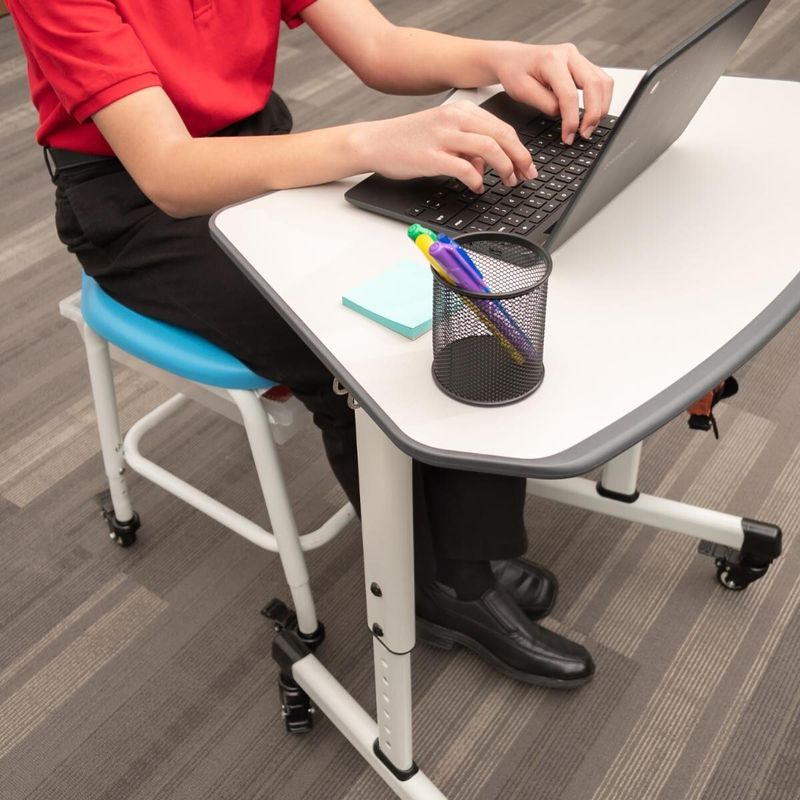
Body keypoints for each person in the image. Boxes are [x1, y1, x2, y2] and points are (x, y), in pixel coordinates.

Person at [8, 0, 613, 688]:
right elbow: (170, 173)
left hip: (259, 149)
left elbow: (380, 45)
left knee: (448, 285)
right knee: (347, 354)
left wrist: (503, 57)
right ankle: (437, 584)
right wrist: (367, 144)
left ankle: (461, 553)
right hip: (141, 203)